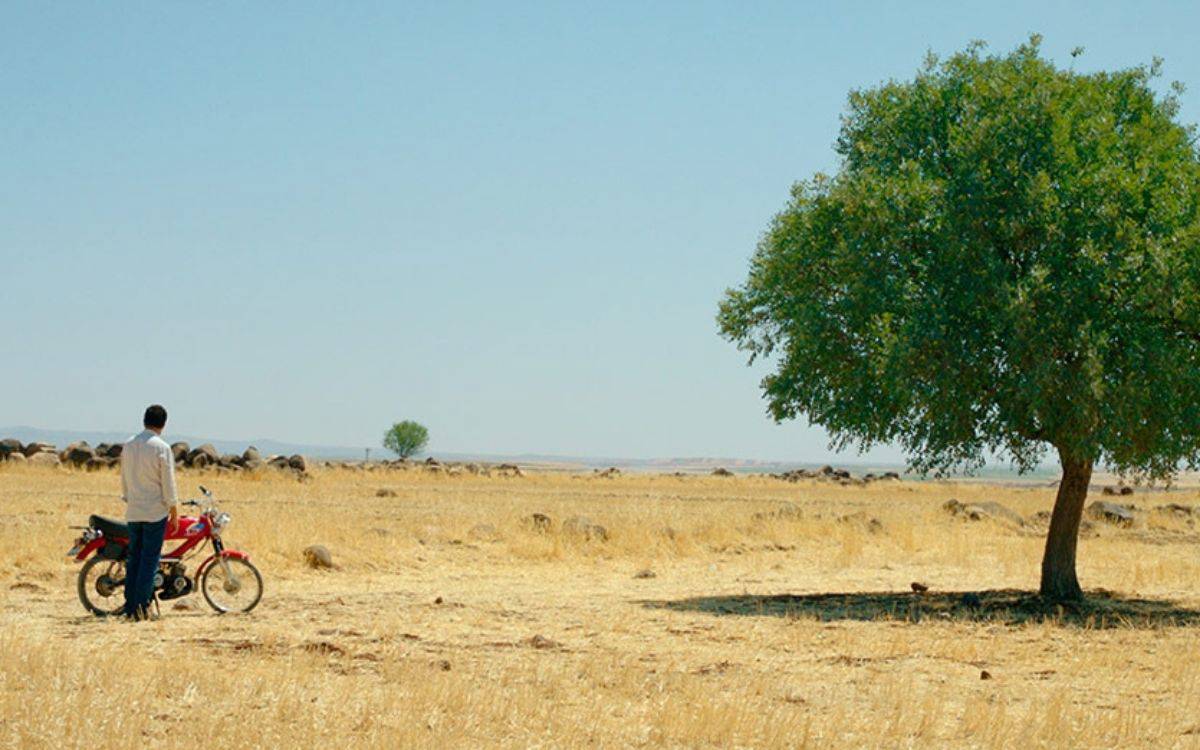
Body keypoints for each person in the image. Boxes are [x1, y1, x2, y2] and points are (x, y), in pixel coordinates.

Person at [120, 404, 178, 621]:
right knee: (149, 561)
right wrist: (173, 510)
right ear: (163, 424)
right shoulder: (162, 448)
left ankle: (130, 605)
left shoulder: (129, 445)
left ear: (144, 420)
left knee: (134, 559)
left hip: (134, 511)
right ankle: (142, 607)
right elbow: (168, 484)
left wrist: (128, 497)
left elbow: (124, 478)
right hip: (155, 512)